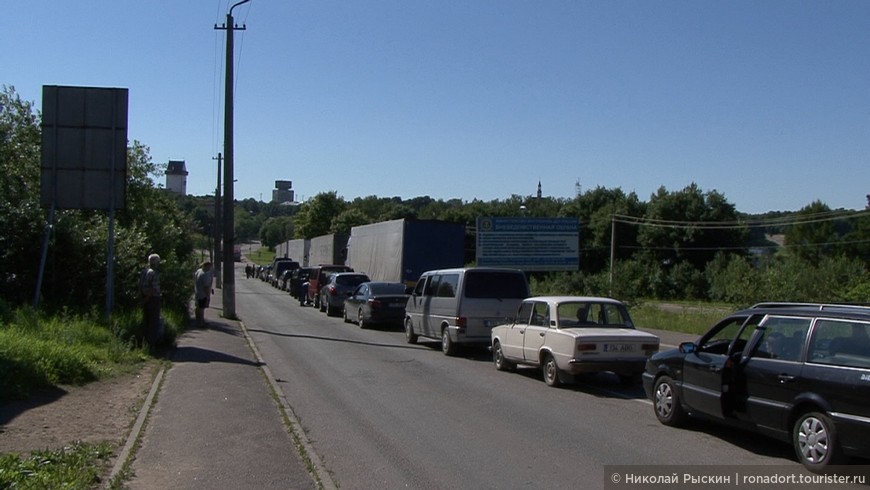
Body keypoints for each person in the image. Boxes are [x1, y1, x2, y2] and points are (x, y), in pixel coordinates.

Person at [139, 253, 162, 348]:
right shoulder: (154, 273)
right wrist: (146, 299)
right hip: (153, 299)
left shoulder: (144, 271)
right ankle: (151, 345)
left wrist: (142, 299)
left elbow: (140, 286)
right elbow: (153, 289)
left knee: (146, 321)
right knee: (153, 322)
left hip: (144, 296)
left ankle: (144, 342)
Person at [194, 261, 214, 327]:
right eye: (209, 266)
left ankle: (198, 321)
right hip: (203, 294)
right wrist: (208, 296)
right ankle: (201, 323)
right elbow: (206, 287)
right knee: (201, 308)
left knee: (198, 307)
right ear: (206, 266)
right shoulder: (205, 274)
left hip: (197, 292)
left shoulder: (198, 271)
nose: (210, 268)